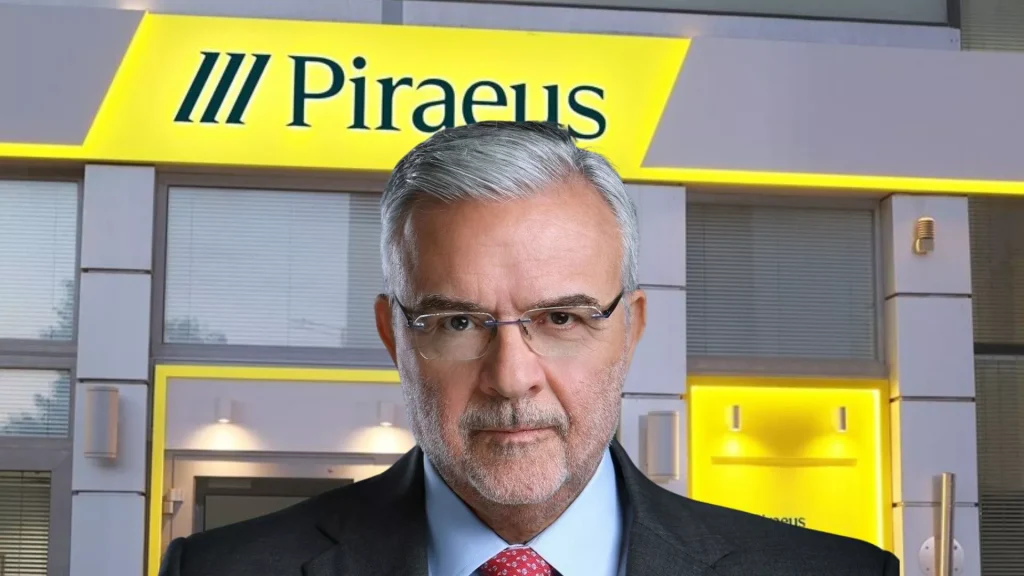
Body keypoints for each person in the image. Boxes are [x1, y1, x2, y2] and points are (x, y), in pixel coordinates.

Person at [158, 121, 899, 576]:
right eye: (458, 323)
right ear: (395, 337)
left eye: (562, 319)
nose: (512, 379)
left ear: (630, 329)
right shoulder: (223, 570)